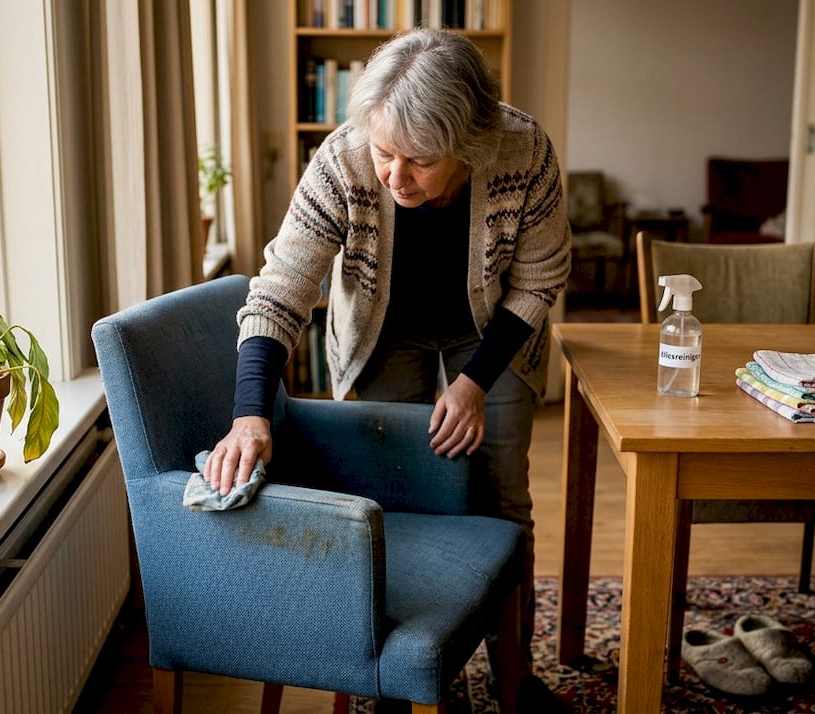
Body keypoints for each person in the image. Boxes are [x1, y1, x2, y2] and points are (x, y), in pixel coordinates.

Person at [205, 28, 571, 708]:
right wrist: (250, 412)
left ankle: (511, 679)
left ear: (470, 143)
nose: (395, 177)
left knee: (502, 501)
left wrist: (473, 382)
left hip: (492, 331)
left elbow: (540, 279)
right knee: (387, 496)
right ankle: (392, 678)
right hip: (382, 332)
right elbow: (280, 289)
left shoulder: (523, 151)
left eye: (420, 162)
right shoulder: (343, 160)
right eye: (384, 153)